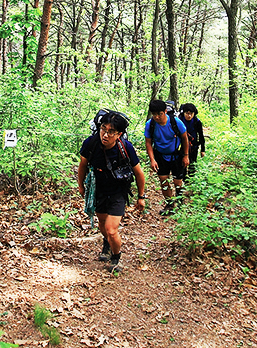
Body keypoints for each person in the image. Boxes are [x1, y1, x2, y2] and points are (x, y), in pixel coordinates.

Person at [77, 110, 147, 274]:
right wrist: (81, 186)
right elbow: (82, 165)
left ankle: (116, 257)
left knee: (111, 229)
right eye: (103, 129)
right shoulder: (91, 143)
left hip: (118, 191)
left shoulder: (125, 148)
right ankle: (107, 244)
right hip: (99, 189)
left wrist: (141, 197)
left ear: (119, 134)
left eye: (111, 132)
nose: (105, 135)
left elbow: (139, 173)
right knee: (102, 223)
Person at [144, 100, 189, 216]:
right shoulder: (150, 124)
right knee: (163, 181)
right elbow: (148, 142)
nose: (157, 117)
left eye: (160, 114)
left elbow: (185, 138)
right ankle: (169, 204)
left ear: (165, 111)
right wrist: (152, 160)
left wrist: (186, 156)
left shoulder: (175, 122)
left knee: (177, 181)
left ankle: (180, 202)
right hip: (160, 155)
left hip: (176, 154)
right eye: (154, 114)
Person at [179, 102, 205, 179]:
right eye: (187, 113)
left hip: (193, 146)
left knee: (192, 163)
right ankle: (183, 179)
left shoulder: (197, 122)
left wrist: (202, 149)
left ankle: (192, 180)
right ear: (184, 113)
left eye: (191, 113)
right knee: (182, 163)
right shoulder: (179, 121)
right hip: (181, 146)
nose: (189, 115)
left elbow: (201, 135)